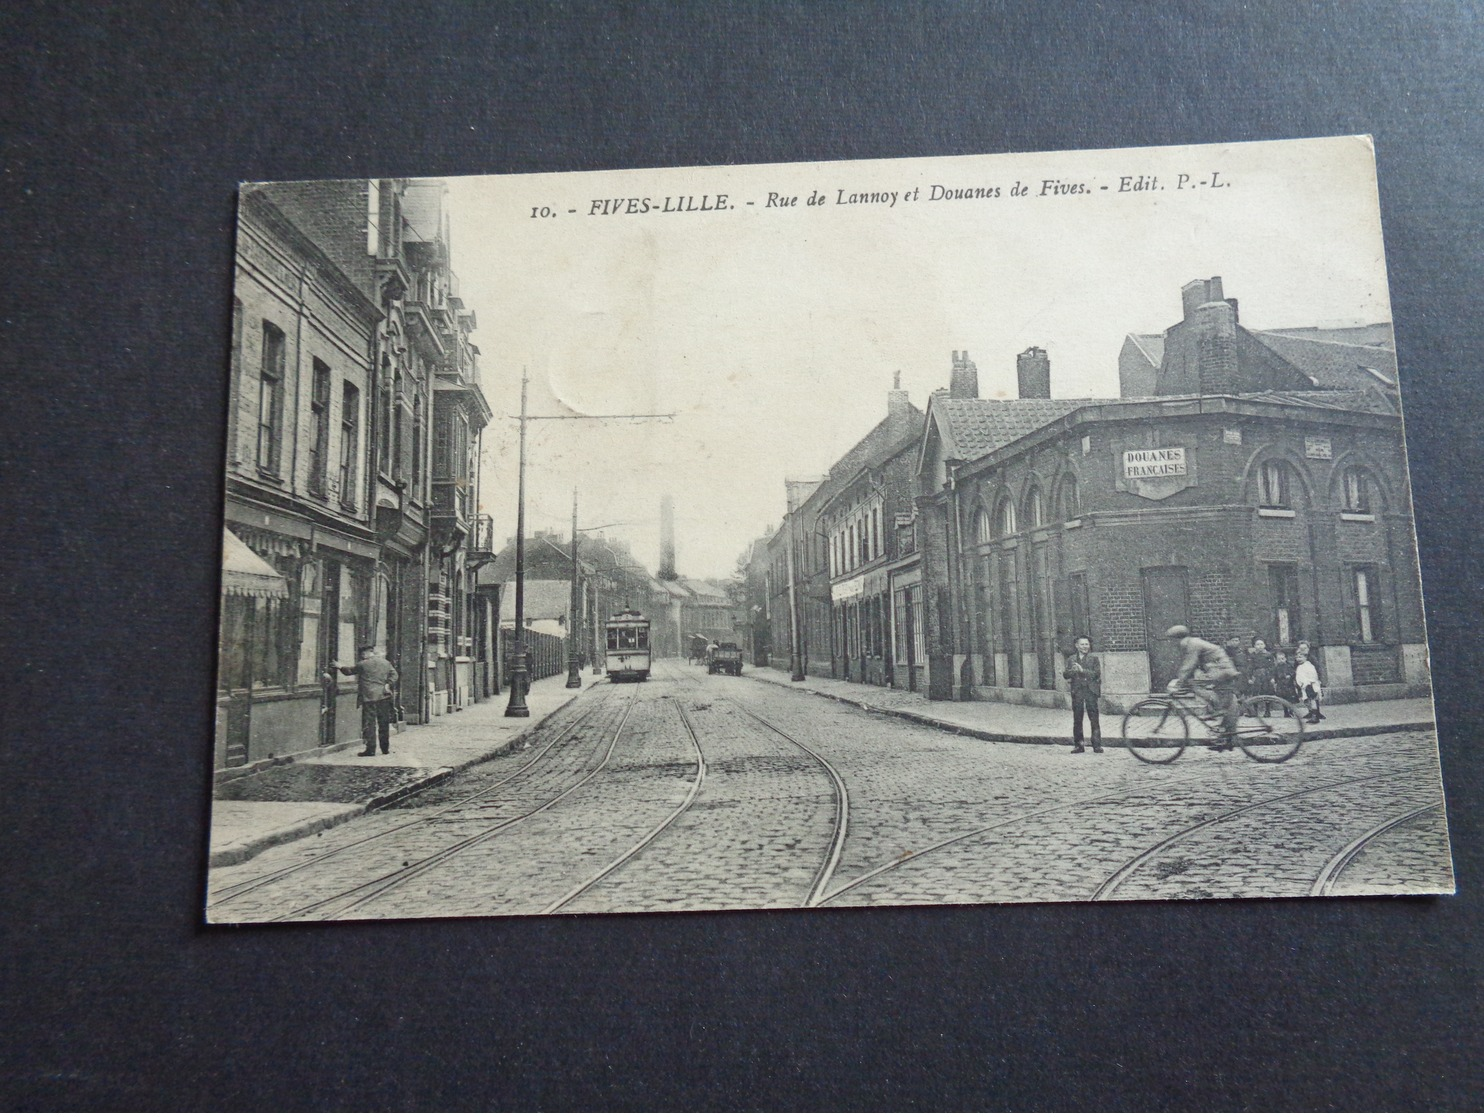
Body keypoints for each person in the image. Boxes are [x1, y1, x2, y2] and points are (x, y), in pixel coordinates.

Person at [1165, 625, 1241, 748]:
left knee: (1194, 685)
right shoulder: (1192, 643)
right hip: (1219, 668)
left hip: (1220, 669)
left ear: (1178, 638)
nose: (1172, 644)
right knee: (1226, 704)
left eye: (1172, 640)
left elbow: (1189, 665)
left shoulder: (1192, 644)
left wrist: (1179, 682)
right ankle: (1226, 737)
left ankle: (1215, 709)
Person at [326, 644, 399, 757]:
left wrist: (339, 666)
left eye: (362, 654)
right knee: (383, 723)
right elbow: (395, 675)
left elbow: (349, 671)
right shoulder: (385, 663)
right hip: (384, 696)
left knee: (369, 724)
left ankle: (370, 750)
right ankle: (385, 749)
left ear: (365, 653)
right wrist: (388, 684)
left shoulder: (363, 664)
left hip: (369, 697)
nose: (362, 656)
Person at [1063, 636, 1103, 754]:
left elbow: (1096, 674)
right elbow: (1066, 675)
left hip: (1091, 691)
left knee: (1094, 718)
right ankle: (1079, 745)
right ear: (1076, 645)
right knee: (1077, 718)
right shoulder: (1071, 659)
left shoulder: (1094, 658)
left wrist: (1082, 670)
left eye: (1087, 644)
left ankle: (1097, 745)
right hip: (1078, 691)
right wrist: (1073, 671)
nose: (1085, 647)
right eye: (1082, 644)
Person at [1294, 651, 1325, 723]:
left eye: (1300, 657)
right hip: (1304, 686)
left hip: (1309, 685)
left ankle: (1315, 716)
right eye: (1297, 658)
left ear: (1305, 658)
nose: (1298, 659)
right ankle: (1311, 712)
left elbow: (1313, 675)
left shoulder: (1309, 666)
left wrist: (1308, 683)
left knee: (1312, 700)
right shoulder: (1300, 666)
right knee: (1306, 701)